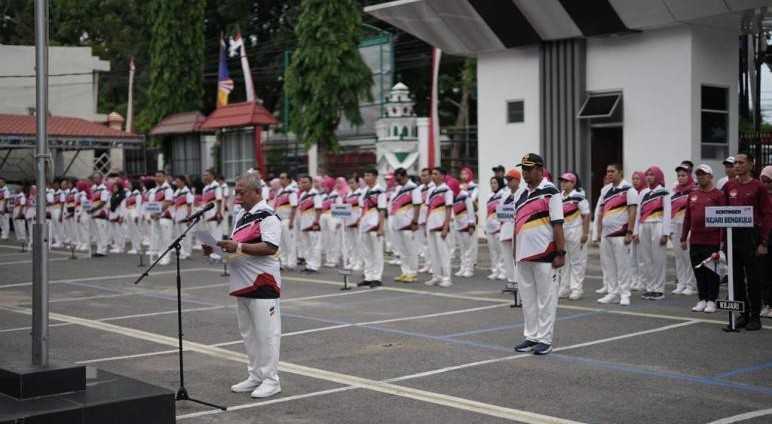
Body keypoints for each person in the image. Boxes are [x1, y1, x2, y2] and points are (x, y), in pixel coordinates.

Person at [204, 173, 282, 399]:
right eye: (236, 191)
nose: (237, 196)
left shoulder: (268, 216)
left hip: (263, 282)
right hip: (241, 282)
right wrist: (216, 249)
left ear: (257, 192)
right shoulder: (241, 215)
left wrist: (236, 245)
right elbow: (237, 247)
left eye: (241, 192)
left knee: (267, 335)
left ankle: (271, 380)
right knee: (249, 334)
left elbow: (269, 247)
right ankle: (256, 375)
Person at [512, 153, 565, 356]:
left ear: (540, 170)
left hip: (546, 254)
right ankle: (531, 336)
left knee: (546, 298)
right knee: (528, 299)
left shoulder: (551, 192)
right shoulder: (520, 194)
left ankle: (545, 339)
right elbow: (517, 224)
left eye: (529, 168)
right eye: (523, 169)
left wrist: (561, 252)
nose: (525, 172)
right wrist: (515, 254)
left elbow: (558, 224)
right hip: (523, 256)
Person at [723, 152, 770, 331]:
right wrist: (722, 241)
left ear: (751, 164)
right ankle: (743, 314)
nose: (737, 165)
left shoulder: (758, 187)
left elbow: (767, 215)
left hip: (751, 237)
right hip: (732, 237)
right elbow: (722, 213)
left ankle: (755, 317)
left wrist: (763, 242)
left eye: (741, 162)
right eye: (735, 163)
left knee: (753, 279)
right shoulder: (729, 186)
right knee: (736, 279)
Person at [681, 164, 724, 313]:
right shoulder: (693, 194)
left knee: (711, 272)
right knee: (698, 271)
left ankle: (712, 300)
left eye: (704, 174)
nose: (700, 177)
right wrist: (683, 237)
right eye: (698, 174)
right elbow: (687, 217)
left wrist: (721, 241)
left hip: (712, 241)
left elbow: (724, 219)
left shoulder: (718, 195)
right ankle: (702, 299)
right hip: (695, 240)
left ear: (711, 176)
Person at [597, 163, 638, 306]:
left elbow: (632, 212)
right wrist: (600, 232)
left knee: (623, 265)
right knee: (609, 266)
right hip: (606, 235)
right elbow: (602, 212)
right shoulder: (605, 190)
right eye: (607, 171)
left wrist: (630, 232)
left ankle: (625, 294)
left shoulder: (629, 190)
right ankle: (613, 292)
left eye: (612, 171)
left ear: (620, 172)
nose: (609, 174)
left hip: (621, 234)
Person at [633, 166, 671, 300]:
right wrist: (636, 231)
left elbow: (667, 213)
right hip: (644, 225)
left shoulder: (664, 192)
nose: (649, 177)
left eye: (652, 175)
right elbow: (638, 213)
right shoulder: (643, 193)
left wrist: (666, 233)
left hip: (658, 225)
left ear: (658, 176)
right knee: (645, 259)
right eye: (647, 175)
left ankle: (659, 289)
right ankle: (650, 287)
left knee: (658, 258)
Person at [558, 172, 590, 300]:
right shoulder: (558, 197)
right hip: (562, 231)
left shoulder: (579, 197)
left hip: (576, 231)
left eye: (566, 181)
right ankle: (564, 288)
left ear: (573, 183)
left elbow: (586, 215)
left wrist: (585, 233)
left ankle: (576, 289)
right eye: (562, 181)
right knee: (564, 262)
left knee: (577, 261)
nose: (563, 183)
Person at [390, 168, 422, 283]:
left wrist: (415, 221)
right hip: (398, 224)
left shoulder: (414, 188)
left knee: (411, 250)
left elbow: (417, 205)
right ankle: (405, 272)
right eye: (396, 179)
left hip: (409, 224)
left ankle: (412, 273)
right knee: (402, 250)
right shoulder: (399, 189)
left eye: (399, 179)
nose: (398, 181)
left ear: (404, 176)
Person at [424, 168, 454, 287]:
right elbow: (428, 208)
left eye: (436, 174)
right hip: (431, 225)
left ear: (443, 176)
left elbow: (448, 208)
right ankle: (436, 276)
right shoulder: (431, 191)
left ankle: (446, 278)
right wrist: (426, 225)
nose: (433, 176)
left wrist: (446, 226)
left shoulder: (447, 190)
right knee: (433, 253)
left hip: (441, 225)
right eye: (432, 174)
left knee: (443, 253)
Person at [358, 169, 387, 287]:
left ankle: (377, 277)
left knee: (377, 252)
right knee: (367, 252)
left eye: (368, 175)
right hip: (365, 225)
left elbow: (382, 210)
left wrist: (381, 227)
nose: (366, 177)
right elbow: (362, 209)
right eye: (365, 175)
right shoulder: (364, 191)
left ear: (375, 177)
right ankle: (368, 276)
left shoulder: (380, 191)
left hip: (375, 225)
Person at [671, 165, 697, 295]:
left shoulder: (695, 190)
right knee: (678, 256)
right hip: (676, 226)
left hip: (689, 227)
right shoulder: (674, 191)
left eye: (683, 175)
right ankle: (681, 283)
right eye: (679, 176)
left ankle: (690, 284)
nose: (681, 178)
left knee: (688, 256)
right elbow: (671, 211)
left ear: (690, 175)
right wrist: (670, 229)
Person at [499, 169, 524, 286]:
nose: (508, 182)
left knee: (517, 257)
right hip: (505, 228)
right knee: (507, 257)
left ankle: (518, 281)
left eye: (510, 179)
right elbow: (500, 212)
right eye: (507, 180)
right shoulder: (504, 194)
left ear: (518, 180)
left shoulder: (524, 193)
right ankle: (511, 280)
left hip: (518, 229)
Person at [593, 175, 613, 295]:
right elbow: (598, 215)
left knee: (614, 262)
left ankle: (614, 286)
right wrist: (597, 233)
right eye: (605, 179)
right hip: (603, 231)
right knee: (605, 261)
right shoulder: (603, 194)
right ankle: (606, 284)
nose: (606, 181)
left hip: (613, 232)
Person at [148, 171, 174, 266]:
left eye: (160, 176)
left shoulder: (167, 189)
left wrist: (157, 213)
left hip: (165, 216)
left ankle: (166, 257)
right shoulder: (155, 190)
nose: (157, 178)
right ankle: (160, 255)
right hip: (157, 216)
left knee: (166, 238)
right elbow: (153, 203)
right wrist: (151, 212)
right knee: (158, 237)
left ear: (165, 177)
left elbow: (167, 202)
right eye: (156, 176)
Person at [296, 176, 322, 272]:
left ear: (311, 183)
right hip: (304, 223)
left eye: (305, 182)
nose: (303, 184)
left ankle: (315, 266)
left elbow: (319, 209)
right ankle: (309, 265)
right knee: (306, 246)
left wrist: (316, 222)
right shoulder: (303, 195)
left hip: (312, 224)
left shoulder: (315, 194)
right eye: (302, 182)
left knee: (314, 245)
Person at [274, 172, 299, 270]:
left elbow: (294, 207)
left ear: (289, 180)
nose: (281, 180)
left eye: (283, 178)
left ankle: (291, 263)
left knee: (290, 243)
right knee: (281, 243)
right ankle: (283, 262)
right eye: (280, 178)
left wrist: (291, 221)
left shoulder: (291, 191)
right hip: (280, 220)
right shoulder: (280, 191)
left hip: (288, 220)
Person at [485, 176, 506, 280]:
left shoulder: (503, 194)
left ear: (500, 183)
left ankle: (503, 271)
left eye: (495, 183)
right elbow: (487, 212)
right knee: (493, 251)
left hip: (499, 227)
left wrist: (502, 226)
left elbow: (505, 211)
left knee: (501, 251)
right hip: (489, 228)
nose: (492, 185)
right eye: (491, 183)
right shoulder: (489, 196)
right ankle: (495, 270)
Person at [628, 171, 646, 292]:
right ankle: (634, 280)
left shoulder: (645, 193)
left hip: (640, 230)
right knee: (632, 258)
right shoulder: (631, 193)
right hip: (631, 230)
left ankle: (642, 282)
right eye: (633, 179)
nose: (635, 181)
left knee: (641, 259)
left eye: (637, 179)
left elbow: (640, 215)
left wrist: (636, 231)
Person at [459, 167, 479, 273]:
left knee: (471, 242)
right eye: (462, 173)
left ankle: (471, 263)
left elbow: (472, 200)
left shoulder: (475, 187)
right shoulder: (460, 187)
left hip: (472, 215)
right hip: (461, 217)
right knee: (463, 244)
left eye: (465, 173)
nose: (463, 175)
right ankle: (463, 265)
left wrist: (465, 191)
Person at [319, 176, 342, 268]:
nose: (324, 187)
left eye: (325, 185)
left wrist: (338, 221)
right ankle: (329, 258)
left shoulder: (336, 195)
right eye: (323, 186)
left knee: (334, 240)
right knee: (327, 240)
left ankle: (334, 259)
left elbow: (339, 208)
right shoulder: (324, 196)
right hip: (325, 218)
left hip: (333, 218)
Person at [342, 175, 363, 271]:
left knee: (358, 243)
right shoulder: (348, 194)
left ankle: (359, 262)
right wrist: (345, 221)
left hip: (357, 221)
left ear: (358, 183)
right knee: (351, 243)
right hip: (349, 221)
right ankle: (352, 261)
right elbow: (345, 208)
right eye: (349, 183)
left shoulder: (361, 193)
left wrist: (359, 220)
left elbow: (363, 208)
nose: (351, 185)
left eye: (353, 183)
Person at [760, 165, 772, 317]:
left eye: (768, 181)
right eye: (763, 180)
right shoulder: (760, 195)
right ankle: (767, 303)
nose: (765, 184)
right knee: (763, 274)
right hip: (762, 238)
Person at [88, 174, 110, 257]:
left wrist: (94, 209)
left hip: (101, 213)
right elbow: (92, 201)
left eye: (97, 178)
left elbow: (103, 202)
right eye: (94, 178)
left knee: (102, 232)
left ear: (101, 179)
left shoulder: (103, 189)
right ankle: (99, 249)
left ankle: (103, 250)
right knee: (97, 233)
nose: (95, 179)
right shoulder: (94, 189)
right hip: (95, 213)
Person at [417, 168, 434, 273]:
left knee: (431, 243)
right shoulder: (419, 188)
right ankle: (427, 264)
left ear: (430, 176)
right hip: (420, 217)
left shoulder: (433, 188)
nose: (423, 177)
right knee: (423, 244)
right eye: (422, 175)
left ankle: (433, 265)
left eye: (425, 175)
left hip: (430, 217)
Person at [201, 168, 224, 247]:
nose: (204, 177)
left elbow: (219, 201)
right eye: (204, 175)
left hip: (214, 214)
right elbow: (204, 202)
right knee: (210, 234)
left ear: (212, 176)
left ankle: (218, 255)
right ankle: (212, 253)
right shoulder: (205, 188)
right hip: (207, 214)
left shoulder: (216, 186)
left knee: (216, 234)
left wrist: (218, 213)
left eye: (206, 175)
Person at [125, 179, 143, 254]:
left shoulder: (137, 194)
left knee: (136, 231)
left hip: (134, 213)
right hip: (130, 212)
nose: (128, 186)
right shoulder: (130, 194)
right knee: (132, 231)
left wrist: (136, 216)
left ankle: (137, 247)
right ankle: (134, 247)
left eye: (130, 184)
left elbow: (138, 206)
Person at [108, 180, 127, 253]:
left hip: (119, 215)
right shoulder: (113, 195)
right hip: (113, 214)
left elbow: (123, 207)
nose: (114, 189)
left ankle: (121, 247)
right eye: (113, 187)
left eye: (116, 187)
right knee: (115, 232)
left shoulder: (122, 195)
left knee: (120, 232)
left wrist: (121, 217)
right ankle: (117, 245)